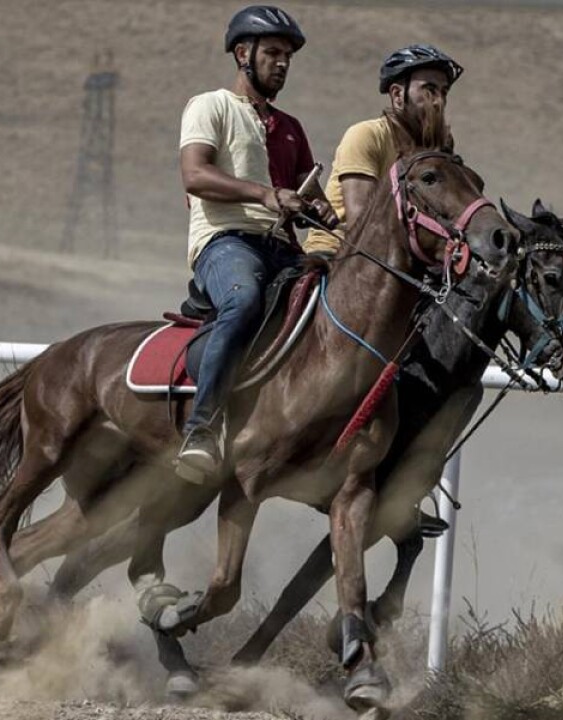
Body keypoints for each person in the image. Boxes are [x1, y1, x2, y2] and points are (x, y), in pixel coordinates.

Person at [176, 5, 337, 481]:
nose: (282, 63)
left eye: (287, 55)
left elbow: (307, 198)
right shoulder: (210, 106)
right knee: (244, 300)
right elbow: (195, 174)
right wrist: (267, 195)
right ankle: (201, 430)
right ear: (242, 53)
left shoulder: (291, 128)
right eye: (273, 52)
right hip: (225, 243)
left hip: (282, 249)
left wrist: (320, 210)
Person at [304, 44, 463, 256]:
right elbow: (360, 222)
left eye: (443, 92)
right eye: (429, 90)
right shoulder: (366, 135)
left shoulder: (436, 149)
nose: (438, 102)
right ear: (397, 94)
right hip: (338, 253)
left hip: (403, 262)